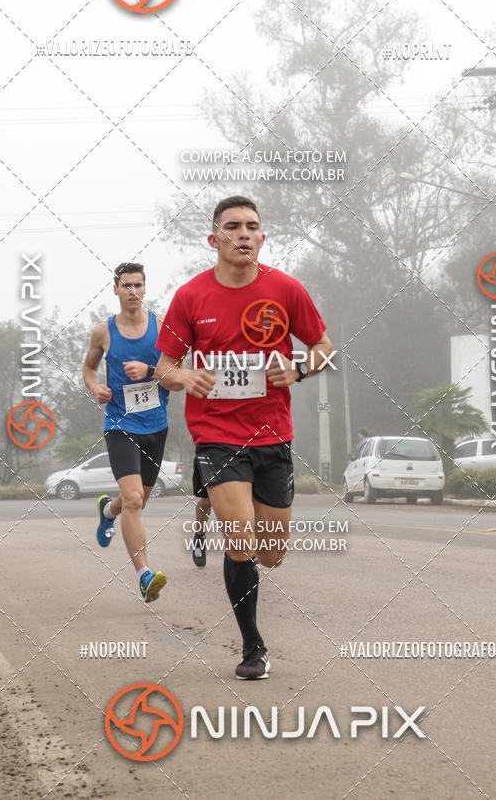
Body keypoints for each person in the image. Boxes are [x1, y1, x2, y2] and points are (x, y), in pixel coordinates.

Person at [154, 196, 333, 679]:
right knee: (240, 538)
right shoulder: (191, 296)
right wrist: (185, 378)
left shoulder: (286, 289)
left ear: (263, 236)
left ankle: (218, 515)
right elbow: (163, 366)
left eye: (252, 226)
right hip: (216, 436)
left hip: (273, 435)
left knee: (271, 553)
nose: (244, 234)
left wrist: (296, 370)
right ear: (214, 240)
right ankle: (252, 647)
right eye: (233, 227)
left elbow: (323, 348)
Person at [82, 262, 169, 603]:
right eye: (126, 285)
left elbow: (179, 370)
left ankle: (107, 511)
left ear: (145, 289)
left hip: (156, 425)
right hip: (120, 425)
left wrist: (150, 369)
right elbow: (89, 367)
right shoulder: (103, 332)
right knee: (133, 499)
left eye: (138, 285)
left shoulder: (162, 326)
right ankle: (144, 575)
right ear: (115, 290)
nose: (133, 291)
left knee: (139, 501)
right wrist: (95, 388)